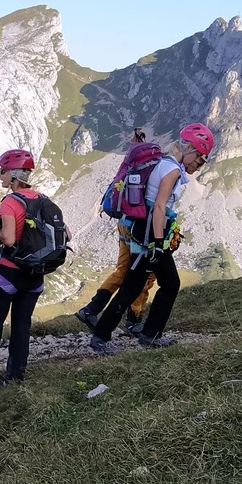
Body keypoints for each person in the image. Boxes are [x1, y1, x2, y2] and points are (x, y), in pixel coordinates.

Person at [91, 123, 214, 352]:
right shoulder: (172, 169)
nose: (199, 163)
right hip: (150, 234)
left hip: (141, 230)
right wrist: (158, 244)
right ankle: (149, 335)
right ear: (187, 148)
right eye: (199, 156)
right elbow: (158, 206)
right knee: (171, 284)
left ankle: (102, 336)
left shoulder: (163, 164)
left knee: (132, 286)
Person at [0, 150, 70, 387]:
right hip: (35, 275)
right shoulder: (43, 199)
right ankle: (16, 377)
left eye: (3, 172)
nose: (0, 176)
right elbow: (66, 234)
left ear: (14, 175)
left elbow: (8, 239)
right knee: (22, 325)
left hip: (9, 273)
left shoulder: (10, 201)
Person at [77, 129, 156, 335]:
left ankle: (92, 309)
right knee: (144, 274)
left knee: (123, 270)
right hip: (137, 227)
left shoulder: (131, 166)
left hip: (124, 223)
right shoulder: (154, 169)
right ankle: (133, 319)